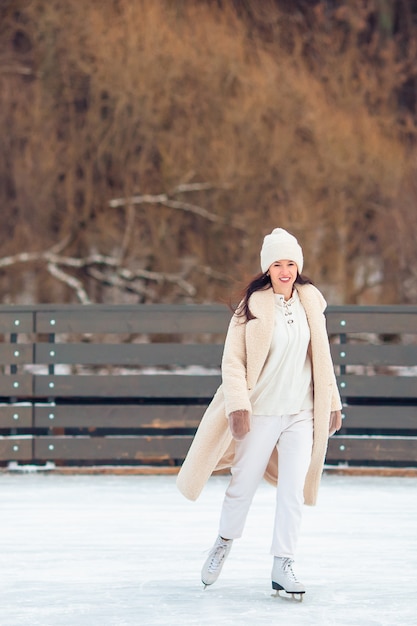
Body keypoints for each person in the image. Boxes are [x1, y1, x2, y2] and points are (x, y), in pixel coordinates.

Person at [176, 227, 342, 600]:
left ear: (298, 266)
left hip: (301, 413)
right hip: (262, 411)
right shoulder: (252, 306)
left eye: (291, 263)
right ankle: (223, 542)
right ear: (267, 268)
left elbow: (323, 358)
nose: (285, 271)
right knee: (242, 485)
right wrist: (238, 406)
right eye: (278, 264)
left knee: (292, 491)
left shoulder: (311, 301)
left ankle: (283, 563)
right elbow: (232, 361)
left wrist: (332, 401)